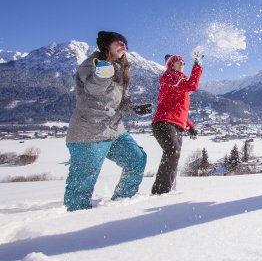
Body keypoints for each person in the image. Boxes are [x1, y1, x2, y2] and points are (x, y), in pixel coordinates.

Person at [64, 31, 153, 211]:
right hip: (90, 131)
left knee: (137, 160)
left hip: (114, 130)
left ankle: (122, 203)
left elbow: (121, 101)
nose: (124, 47)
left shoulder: (120, 69)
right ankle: (75, 221)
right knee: (83, 182)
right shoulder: (91, 65)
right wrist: (102, 74)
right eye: (119, 43)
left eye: (125, 44)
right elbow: (94, 88)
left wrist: (134, 108)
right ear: (107, 45)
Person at [151, 52, 203, 195]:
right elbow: (192, 85)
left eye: (183, 63)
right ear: (171, 64)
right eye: (178, 62)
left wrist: (189, 125)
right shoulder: (169, 77)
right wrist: (197, 65)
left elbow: (179, 109)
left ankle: (167, 189)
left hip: (176, 124)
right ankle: (161, 191)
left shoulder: (180, 83)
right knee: (173, 152)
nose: (181, 65)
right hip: (164, 122)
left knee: (174, 155)